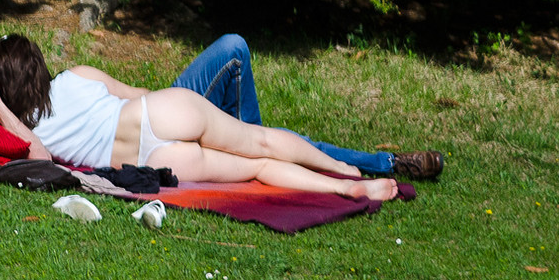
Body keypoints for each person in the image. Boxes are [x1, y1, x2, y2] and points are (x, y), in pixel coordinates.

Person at [0, 35, 414, 202]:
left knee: (255, 169)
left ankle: (344, 189)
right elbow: (141, 94)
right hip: (159, 111)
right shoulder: (75, 77)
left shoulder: (22, 129)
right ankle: (346, 168)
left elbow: (37, 157)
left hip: (155, 158)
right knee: (260, 142)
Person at [168, 34, 443, 181]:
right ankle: (387, 163)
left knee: (233, 47)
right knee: (292, 147)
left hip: (162, 107)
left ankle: (257, 140)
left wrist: (150, 99)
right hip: (161, 136)